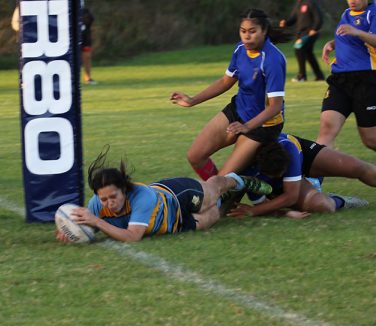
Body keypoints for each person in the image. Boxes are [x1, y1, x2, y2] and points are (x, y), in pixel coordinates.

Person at [55, 147, 273, 243]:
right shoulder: (97, 204)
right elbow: (88, 224)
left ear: (124, 189)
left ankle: (238, 180)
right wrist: (69, 230)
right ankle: (237, 193)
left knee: (213, 188)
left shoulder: (141, 196)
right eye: (104, 199)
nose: (109, 203)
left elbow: (132, 237)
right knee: (215, 214)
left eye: (114, 196)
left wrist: (96, 222)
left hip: (178, 196)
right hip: (175, 224)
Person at [171, 9, 289, 181]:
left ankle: (223, 197)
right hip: (238, 111)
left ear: (264, 31)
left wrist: (247, 127)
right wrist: (192, 100)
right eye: (243, 31)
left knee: (221, 181)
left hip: (262, 126)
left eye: (252, 31)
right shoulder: (240, 49)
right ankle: (225, 201)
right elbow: (226, 82)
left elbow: (275, 106)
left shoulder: (273, 59)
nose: (246, 37)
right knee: (195, 156)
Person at [228, 133, 373, 217]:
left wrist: (252, 211)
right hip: (284, 185)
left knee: (356, 166)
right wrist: (286, 214)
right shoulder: (249, 171)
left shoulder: (287, 147)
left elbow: (291, 196)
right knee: (323, 205)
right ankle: (340, 200)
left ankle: (312, 181)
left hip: (301, 156)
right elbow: (266, 205)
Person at [317, 0, 376, 151]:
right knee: (326, 130)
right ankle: (315, 175)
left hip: (366, 80)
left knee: (370, 139)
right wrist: (333, 43)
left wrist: (356, 31)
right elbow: (349, 35)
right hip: (340, 79)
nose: (352, 1)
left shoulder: (373, 11)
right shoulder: (346, 13)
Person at [279, 0, 325, 82]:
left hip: (310, 32)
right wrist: (286, 23)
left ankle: (302, 76)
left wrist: (315, 28)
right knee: (308, 54)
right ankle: (320, 76)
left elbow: (319, 17)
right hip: (301, 33)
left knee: (299, 49)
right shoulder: (299, 4)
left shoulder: (311, 3)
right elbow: (293, 18)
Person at [81, 8, 96, 85]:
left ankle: (88, 78)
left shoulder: (84, 10)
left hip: (85, 38)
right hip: (70, 39)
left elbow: (91, 20)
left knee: (87, 57)